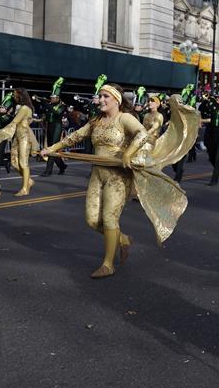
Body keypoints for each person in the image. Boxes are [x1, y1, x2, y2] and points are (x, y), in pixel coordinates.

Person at [40, 84, 198, 278]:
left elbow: (142, 134)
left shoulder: (124, 118)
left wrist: (128, 153)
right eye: (100, 96)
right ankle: (122, 239)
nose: (101, 100)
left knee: (109, 219)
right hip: (97, 174)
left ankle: (108, 264)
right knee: (92, 221)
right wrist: (52, 148)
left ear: (117, 99)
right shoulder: (96, 121)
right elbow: (75, 136)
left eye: (105, 96)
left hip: (118, 176)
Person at [41, 79, 67, 177]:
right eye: (51, 97)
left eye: (53, 97)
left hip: (57, 126)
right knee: (51, 148)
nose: (51, 99)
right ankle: (62, 166)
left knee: (51, 148)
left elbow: (57, 113)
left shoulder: (62, 105)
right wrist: (43, 103)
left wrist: (47, 105)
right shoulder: (50, 105)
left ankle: (48, 170)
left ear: (58, 98)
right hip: (50, 126)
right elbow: (45, 115)